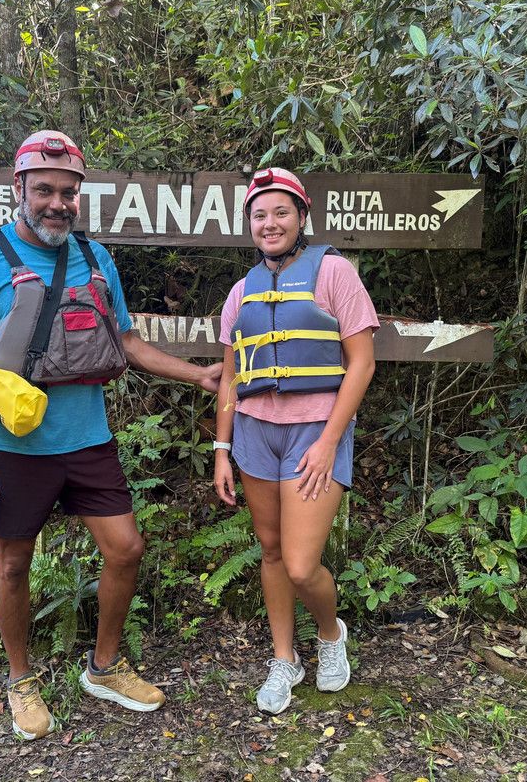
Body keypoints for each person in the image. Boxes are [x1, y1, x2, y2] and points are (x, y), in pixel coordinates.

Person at [0, 130, 222, 741]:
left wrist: (199, 376)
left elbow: (130, 342)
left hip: (88, 437)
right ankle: (20, 680)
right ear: (19, 189)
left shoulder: (96, 258)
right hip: (12, 446)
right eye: (44, 190)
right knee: (13, 565)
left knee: (125, 550)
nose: (57, 202)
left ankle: (105, 666)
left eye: (68, 192)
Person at [212, 167, 378, 714]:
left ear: (302, 216)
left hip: (315, 431)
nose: (270, 223)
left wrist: (330, 440)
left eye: (280, 212)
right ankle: (284, 658)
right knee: (272, 551)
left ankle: (330, 634)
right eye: (259, 215)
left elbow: (361, 363)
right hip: (256, 434)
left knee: (303, 564)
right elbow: (232, 378)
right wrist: (221, 449)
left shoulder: (334, 272)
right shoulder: (240, 292)